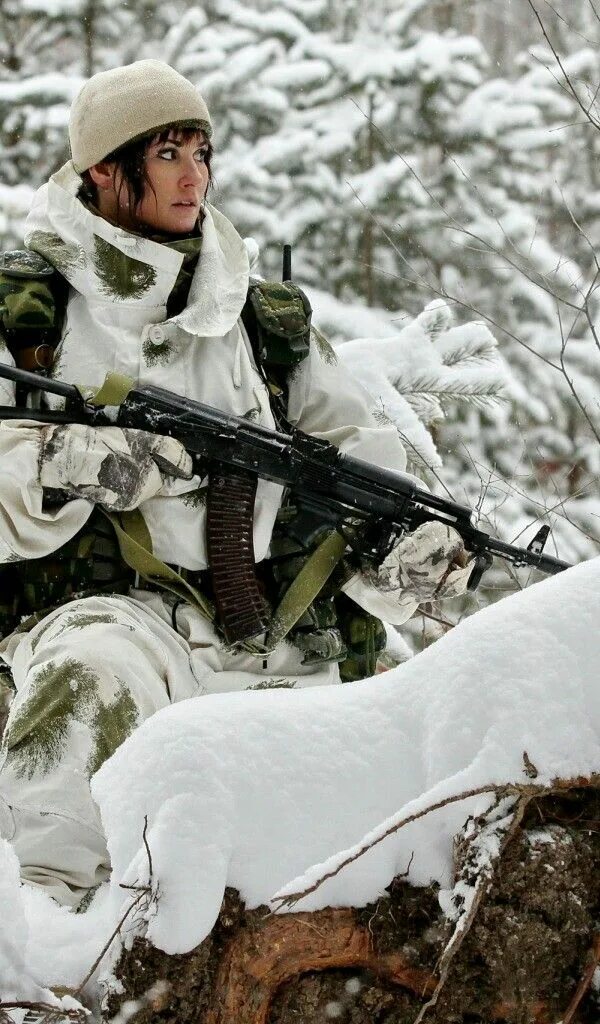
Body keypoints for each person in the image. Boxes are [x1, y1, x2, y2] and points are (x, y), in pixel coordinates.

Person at [0, 61, 473, 910]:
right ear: (104, 171)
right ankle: (47, 943)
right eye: (168, 152)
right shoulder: (30, 314)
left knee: (387, 783)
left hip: (266, 632)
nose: (194, 175)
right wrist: (58, 463)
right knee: (91, 678)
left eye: (202, 151)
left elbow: (357, 458)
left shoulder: (258, 320)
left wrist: (401, 551)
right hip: (106, 616)